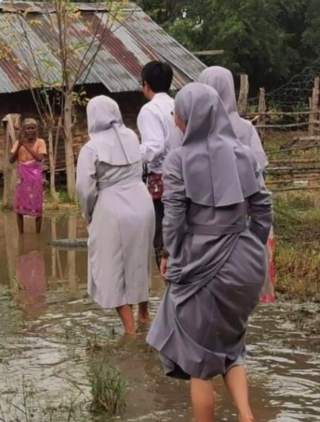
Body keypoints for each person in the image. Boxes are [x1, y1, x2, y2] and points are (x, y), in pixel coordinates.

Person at [146, 83, 272, 422]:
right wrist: (250, 247)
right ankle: (246, 416)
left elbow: (173, 218)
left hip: (200, 264)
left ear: (188, 116)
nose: (175, 120)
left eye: (177, 114)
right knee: (231, 345)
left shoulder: (178, 159)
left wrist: (169, 255)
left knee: (199, 361)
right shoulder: (242, 153)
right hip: (246, 263)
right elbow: (262, 208)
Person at [76, 96, 155, 335]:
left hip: (112, 208)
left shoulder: (91, 148)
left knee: (112, 268)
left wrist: (88, 214)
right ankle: (143, 314)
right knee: (140, 261)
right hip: (143, 204)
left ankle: (130, 332)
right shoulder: (132, 136)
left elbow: (84, 188)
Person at [198, 66, 275, 303]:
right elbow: (260, 164)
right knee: (246, 286)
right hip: (248, 212)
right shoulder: (245, 127)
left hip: (209, 218)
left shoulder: (197, 130)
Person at [138, 61, 179, 267]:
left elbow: (154, 146)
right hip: (184, 176)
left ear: (146, 84)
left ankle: (170, 289)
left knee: (163, 239)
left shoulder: (149, 110)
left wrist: (132, 154)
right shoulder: (177, 105)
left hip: (161, 181)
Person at [9, 118, 47, 234]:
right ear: (23, 130)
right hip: (22, 177)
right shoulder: (18, 143)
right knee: (19, 206)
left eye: (33, 128)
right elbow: (11, 160)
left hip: (35, 176)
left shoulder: (40, 142)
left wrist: (26, 146)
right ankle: (21, 234)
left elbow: (39, 158)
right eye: (28, 128)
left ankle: (38, 233)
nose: (30, 130)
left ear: (36, 129)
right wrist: (19, 145)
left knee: (37, 204)